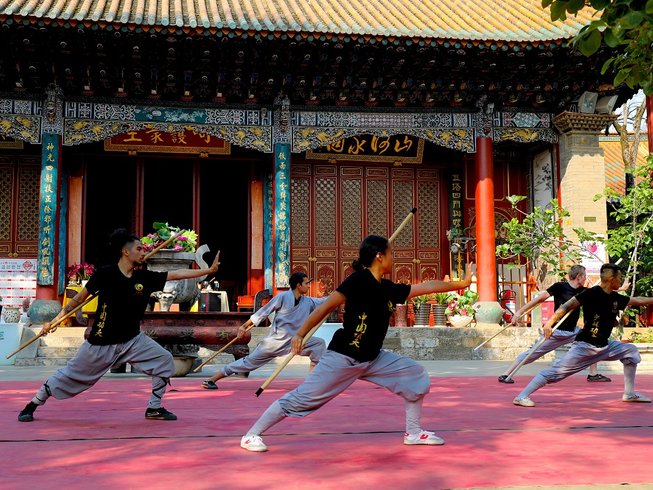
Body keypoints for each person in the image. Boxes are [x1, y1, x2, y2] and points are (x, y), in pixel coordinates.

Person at [239, 235, 473, 452]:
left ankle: (413, 433)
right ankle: (251, 434)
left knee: (416, 375)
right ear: (379, 256)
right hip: (344, 356)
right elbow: (325, 306)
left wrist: (461, 284)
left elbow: (427, 287)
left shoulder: (387, 288)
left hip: (372, 358)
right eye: (391, 253)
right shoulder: (357, 281)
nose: (394, 257)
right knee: (303, 398)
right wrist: (299, 334)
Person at [17, 229, 221, 423]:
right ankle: (33, 403)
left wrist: (208, 271)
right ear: (125, 251)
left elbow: (175, 275)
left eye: (144, 249)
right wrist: (54, 321)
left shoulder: (144, 277)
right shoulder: (105, 275)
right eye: (139, 249)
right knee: (70, 376)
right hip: (101, 342)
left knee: (164, 360)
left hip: (133, 340)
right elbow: (77, 300)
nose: (144, 252)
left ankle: (154, 407)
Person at [513, 263, 652, 407]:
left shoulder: (616, 298)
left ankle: (629, 394)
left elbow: (640, 300)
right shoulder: (590, 293)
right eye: (619, 278)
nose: (621, 281)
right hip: (585, 346)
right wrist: (549, 324)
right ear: (612, 279)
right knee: (555, 373)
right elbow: (565, 306)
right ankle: (521, 396)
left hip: (604, 346)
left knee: (631, 351)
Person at [202, 271, 327, 390]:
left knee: (318, 344)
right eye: (306, 283)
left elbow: (325, 302)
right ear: (298, 285)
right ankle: (212, 379)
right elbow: (263, 313)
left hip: (294, 341)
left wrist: (340, 296)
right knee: (247, 363)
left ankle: (312, 382)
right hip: (274, 342)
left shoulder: (308, 301)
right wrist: (244, 326)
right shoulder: (282, 297)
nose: (308, 286)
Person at [498, 265, 611, 384]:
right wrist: (519, 312)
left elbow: (603, 292)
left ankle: (593, 374)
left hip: (573, 332)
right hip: (556, 331)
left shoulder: (583, 291)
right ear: (578, 277)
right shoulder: (559, 287)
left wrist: (619, 288)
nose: (585, 279)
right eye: (584, 276)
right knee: (533, 353)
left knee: (591, 341)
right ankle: (506, 373)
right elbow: (539, 300)